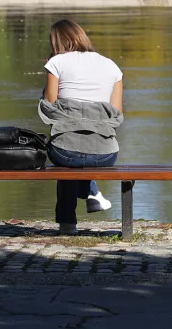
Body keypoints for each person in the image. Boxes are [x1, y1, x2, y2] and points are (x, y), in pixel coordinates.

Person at [38, 19, 124, 235]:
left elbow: (48, 108)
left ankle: (68, 223)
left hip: (65, 152)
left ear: (56, 41)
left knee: (67, 153)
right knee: (77, 150)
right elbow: (117, 115)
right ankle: (92, 192)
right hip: (106, 154)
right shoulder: (112, 66)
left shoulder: (56, 63)